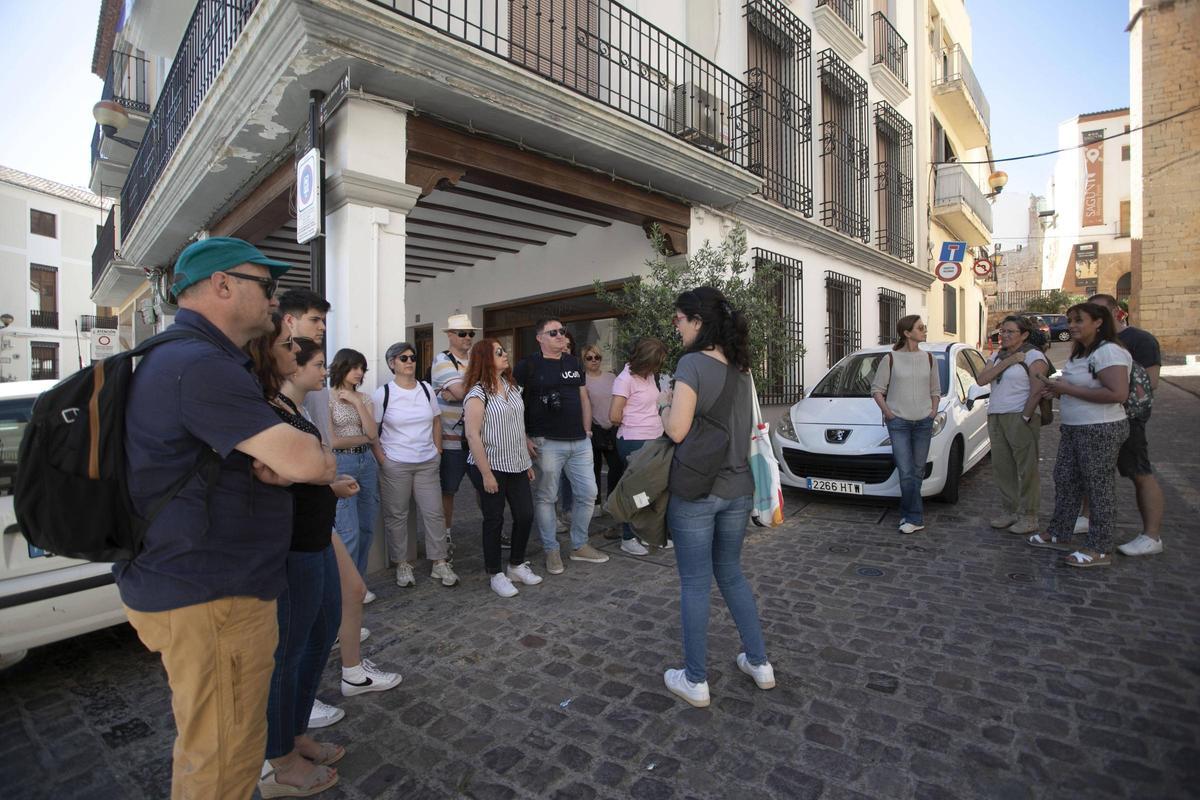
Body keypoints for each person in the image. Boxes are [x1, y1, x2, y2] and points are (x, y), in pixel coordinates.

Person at [118, 237, 336, 799]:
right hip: (210, 593)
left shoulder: (194, 359)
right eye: (265, 287)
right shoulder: (199, 364)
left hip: (206, 585)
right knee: (221, 762)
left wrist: (286, 465)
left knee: (219, 748)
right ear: (222, 285)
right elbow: (309, 458)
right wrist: (302, 462)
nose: (274, 302)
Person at [249, 331, 355, 798]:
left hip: (315, 539)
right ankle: (280, 757)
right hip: (292, 547)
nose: (309, 360)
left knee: (323, 629)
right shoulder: (267, 410)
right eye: (295, 351)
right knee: (288, 652)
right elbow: (300, 469)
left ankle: (294, 732)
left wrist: (322, 473)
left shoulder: (294, 412)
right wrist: (320, 466)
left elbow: (313, 468)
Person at [661, 287, 774, 708]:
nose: (676, 327)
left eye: (678, 320)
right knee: (731, 574)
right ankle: (760, 663)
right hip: (738, 488)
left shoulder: (690, 364)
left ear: (697, 321)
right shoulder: (742, 368)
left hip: (697, 490)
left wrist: (663, 405)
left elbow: (676, 430)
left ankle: (695, 680)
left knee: (694, 582)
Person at [1027, 302, 1130, 568]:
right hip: (1074, 427)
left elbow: (1118, 393)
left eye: (1078, 320)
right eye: (1069, 320)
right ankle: (1060, 531)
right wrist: (1057, 389)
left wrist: (1067, 390)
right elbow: (1078, 386)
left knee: (1099, 488)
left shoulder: (1108, 352)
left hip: (1099, 428)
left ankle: (1100, 547)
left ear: (1098, 322)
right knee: (1065, 478)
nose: (1071, 325)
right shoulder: (1080, 353)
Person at [514, 318, 608, 575]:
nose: (559, 335)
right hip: (546, 441)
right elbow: (513, 401)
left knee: (588, 493)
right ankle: (551, 549)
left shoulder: (573, 362)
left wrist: (587, 429)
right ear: (539, 338)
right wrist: (523, 435)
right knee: (547, 497)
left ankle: (579, 545)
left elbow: (582, 396)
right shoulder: (528, 365)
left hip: (579, 441)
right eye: (552, 332)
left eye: (562, 331)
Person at [1083, 294, 1165, 557]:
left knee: (1138, 471)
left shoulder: (1140, 340)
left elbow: (1150, 383)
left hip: (1127, 418)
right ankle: (1086, 518)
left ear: (1116, 312)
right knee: (1092, 471)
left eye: (1102, 312)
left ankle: (1151, 535)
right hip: (1095, 418)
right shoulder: (1092, 343)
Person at [462, 338, 544, 597]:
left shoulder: (512, 386)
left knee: (525, 515)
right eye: (499, 352)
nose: (505, 354)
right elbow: (473, 436)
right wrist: (486, 473)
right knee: (494, 519)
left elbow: (518, 428)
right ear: (486, 358)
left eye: (504, 350)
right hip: (490, 466)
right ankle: (495, 573)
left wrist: (525, 462)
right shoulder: (477, 394)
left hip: (516, 464)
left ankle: (516, 564)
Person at [373, 342, 457, 587]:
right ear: (392, 364)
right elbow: (373, 431)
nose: (409, 362)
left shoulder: (425, 388)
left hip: (426, 461)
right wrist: (383, 461)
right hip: (396, 464)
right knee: (397, 515)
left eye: (412, 357)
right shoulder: (383, 393)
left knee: (434, 513)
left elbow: (436, 421)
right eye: (403, 358)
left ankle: (439, 563)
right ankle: (401, 564)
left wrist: (437, 450)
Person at [973, 315, 1047, 535]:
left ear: (1024, 334)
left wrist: (1025, 417)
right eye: (1002, 331)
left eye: (1010, 332)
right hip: (996, 415)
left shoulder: (1034, 355)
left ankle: (1029, 515)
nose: (1003, 335)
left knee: (1026, 468)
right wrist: (1007, 362)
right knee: (1002, 467)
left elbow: (1038, 389)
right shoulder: (997, 355)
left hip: (1019, 416)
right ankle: (1010, 510)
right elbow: (981, 379)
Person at [870, 315, 941, 535]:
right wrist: (889, 413)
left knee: (917, 471)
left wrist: (933, 411)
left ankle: (907, 512)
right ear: (907, 333)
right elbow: (876, 389)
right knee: (906, 471)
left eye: (924, 327)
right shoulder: (890, 358)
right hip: (898, 422)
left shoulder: (930, 358)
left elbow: (935, 390)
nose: (924, 331)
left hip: (924, 422)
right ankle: (915, 517)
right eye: (920, 328)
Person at [327, 348, 381, 587]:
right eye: (354, 367)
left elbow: (373, 433)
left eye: (362, 368)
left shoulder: (365, 398)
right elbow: (334, 441)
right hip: (342, 461)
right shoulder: (327, 398)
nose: (359, 373)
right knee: (349, 530)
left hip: (367, 462)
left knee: (367, 526)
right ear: (342, 367)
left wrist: (357, 402)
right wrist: (365, 437)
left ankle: (357, 582)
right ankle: (344, 587)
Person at [610, 337, 669, 556]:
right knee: (636, 491)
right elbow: (614, 415)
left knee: (654, 490)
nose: (657, 367)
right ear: (645, 360)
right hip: (633, 441)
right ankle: (628, 536)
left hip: (654, 438)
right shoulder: (624, 379)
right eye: (654, 362)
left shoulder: (649, 375)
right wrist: (638, 420)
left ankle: (646, 533)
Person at [431, 315, 477, 554]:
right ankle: (445, 536)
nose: (468, 337)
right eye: (462, 333)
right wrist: (474, 386)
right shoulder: (442, 361)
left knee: (486, 487)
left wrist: (461, 390)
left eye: (471, 333)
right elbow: (461, 391)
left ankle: (494, 529)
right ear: (449, 335)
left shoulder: (476, 360)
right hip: (452, 440)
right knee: (448, 490)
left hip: (478, 438)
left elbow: (462, 391)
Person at [277, 288, 332, 443]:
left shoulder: (315, 362)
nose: (323, 327)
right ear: (289, 321)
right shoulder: (276, 368)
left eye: (323, 320)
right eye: (314, 320)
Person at [582, 344, 622, 524]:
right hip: (594, 428)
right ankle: (596, 504)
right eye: (589, 358)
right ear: (584, 360)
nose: (594, 361)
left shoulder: (611, 377)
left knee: (616, 466)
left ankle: (610, 501)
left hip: (612, 427)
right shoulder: (582, 380)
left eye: (597, 357)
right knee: (594, 468)